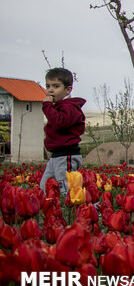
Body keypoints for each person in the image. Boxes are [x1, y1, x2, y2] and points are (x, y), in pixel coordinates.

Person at [39, 67, 86, 196]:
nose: (50, 90)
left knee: (67, 190)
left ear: (68, 89)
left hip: (67, 155)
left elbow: (60, 122)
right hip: (56, 155)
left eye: (56, 86)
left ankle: (89, 210)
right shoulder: (60, 107)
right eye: (48, 86)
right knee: (44, 187)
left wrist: (47, 106)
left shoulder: (70, 107)